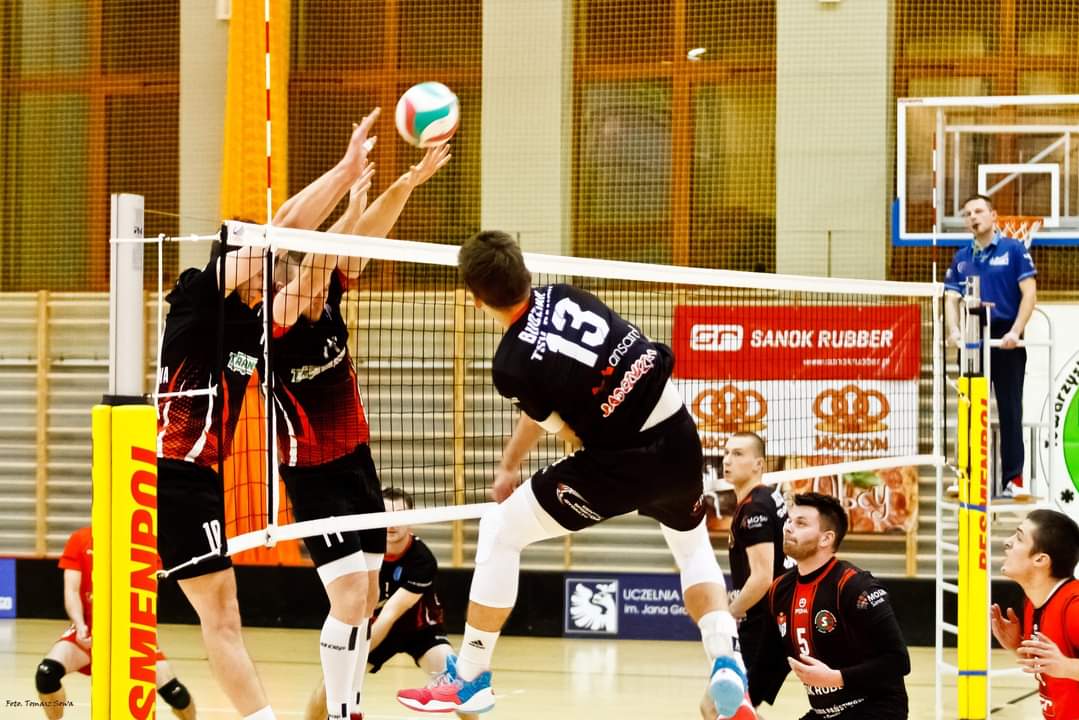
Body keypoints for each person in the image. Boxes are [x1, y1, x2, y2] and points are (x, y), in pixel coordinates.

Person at [395, 230, 749, 718]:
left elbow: (565, 432)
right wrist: (510, 463)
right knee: (691, 548)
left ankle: (470, 677)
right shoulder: (567, 295)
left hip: (622, 463)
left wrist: (519, 463)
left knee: (500, 530)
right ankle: (726, 659)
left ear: (475, 299)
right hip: (681, 439)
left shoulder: (511, 364)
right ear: (526, 271)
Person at [156, 110, 381, 720]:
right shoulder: (198, 294)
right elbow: (283, 226)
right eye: (258, 258)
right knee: (221, 616)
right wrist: (345, 172)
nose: (267, 268)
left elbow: (303, 260)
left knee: (223, 614)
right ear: (236, 256)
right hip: (170, 471)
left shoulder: (257, 324)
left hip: (203, 479)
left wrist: (352, 190)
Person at [270, 139, 451, 720]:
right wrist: (347, 206)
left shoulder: (324, 293)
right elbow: (318, 266)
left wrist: (407, 182)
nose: (313, 277)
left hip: (356, 463)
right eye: (296, 268)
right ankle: (342, 711)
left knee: (368, 595)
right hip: (313, 475)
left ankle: (349, 705)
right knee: (349, 597)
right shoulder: (275, 322)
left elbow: (362, 242)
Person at [303, 488, 478, 720]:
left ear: (411, 521)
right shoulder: (361, 555)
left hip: (420, 631)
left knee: (458, 686)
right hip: (372, 629)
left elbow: (390, 615)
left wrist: (355, 653)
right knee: (328, 689)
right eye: (385, 515)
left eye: (399, 516)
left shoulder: (422, 560)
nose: (391, 524)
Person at [748, 493, 910, 719]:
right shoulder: (779, 590)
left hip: (876, 709)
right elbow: (769, 662)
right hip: (824, 713)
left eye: (801, 523)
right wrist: (741, 702)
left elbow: (898, 660)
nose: (788, 528)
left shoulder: (855, 586)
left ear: (826, 539)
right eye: (789, 521)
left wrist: (836, 678)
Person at [34, 527, 196, 720]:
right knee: (46, 674)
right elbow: (71, 590)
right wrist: (80, 625)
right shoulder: (81, 539)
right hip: (89, 632)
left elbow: (148, 598)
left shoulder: (143, 545)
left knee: (176, 694)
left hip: (130, 633)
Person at [944, 194, 1037, 501]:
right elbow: (951, 299)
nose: (973, 217)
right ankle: (966, 474)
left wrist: (1015, 331)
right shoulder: (961, 257)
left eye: (979, 211)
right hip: (973, 337)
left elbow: (1029, 293)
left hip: (1005, 339)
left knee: (1010, 409)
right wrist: (954, 331)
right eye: (968, 213)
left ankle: (1014, 479)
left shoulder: (1014, 250)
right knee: (969, 408)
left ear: (993, 215)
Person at [991, 509, 1079, 718]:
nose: (1007, 542)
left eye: (1019, 537)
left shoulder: (1074, 606)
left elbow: (1063, 666)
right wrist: (1017, 647)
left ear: (1040, 559)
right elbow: (1053, 667)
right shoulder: (1033, 603)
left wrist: (1067, 667)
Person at [723, 433, 793, 674]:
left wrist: (730, 614)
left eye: (738, 454)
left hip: (764, 621)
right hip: (777, 614)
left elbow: (762, 578)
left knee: (728, 695)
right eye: (726, 453)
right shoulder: (767, 496)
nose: (727, 460)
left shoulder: (755, 508)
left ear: (758, 464)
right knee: (739, 697)